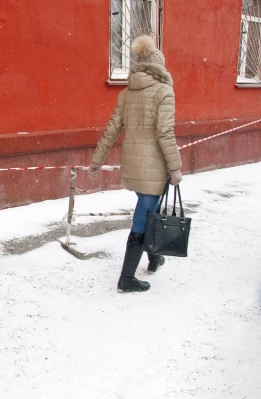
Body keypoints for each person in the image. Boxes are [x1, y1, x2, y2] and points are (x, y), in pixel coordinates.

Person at [88, 35, 182, 293]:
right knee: (144, 216)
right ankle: (127, 279)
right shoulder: (164, 91)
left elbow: (112, 129)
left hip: (133, 161)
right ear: (160, 67)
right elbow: (165, 133)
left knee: (149, 208)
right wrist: (175, 168)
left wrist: (97, 160)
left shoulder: (126, 93)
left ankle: (153, 258)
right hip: (154, 163)